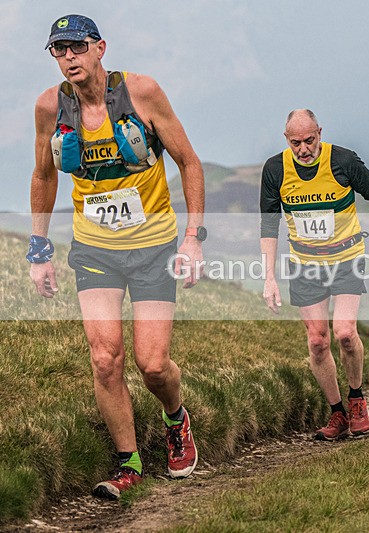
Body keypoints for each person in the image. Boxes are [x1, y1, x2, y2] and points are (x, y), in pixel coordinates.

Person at [29, 15, 203, 499]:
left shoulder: (142, 92)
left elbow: (189, 161)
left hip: (152, 246)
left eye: (76, 47)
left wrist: (193, 237)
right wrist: (39, 248)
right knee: (105, 359)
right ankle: (129, 464)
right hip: (95, 248)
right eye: (58, 50)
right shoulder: (50, 106)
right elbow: (43, 176)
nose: (68, 58)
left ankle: (176, 419)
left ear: (100, 48)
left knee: (152, 364)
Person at [261, 109, 369, 441]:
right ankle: (337, 414)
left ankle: (357, 400)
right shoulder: (275, 169)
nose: (304, 148)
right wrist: (269, 276)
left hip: (346, 258)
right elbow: (269, 225)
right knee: (318, 342)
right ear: (286, 139)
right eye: (296, 143)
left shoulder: (344, 161)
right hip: (305, 264)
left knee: (345, 334)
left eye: (310, 140)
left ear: (320, 132)